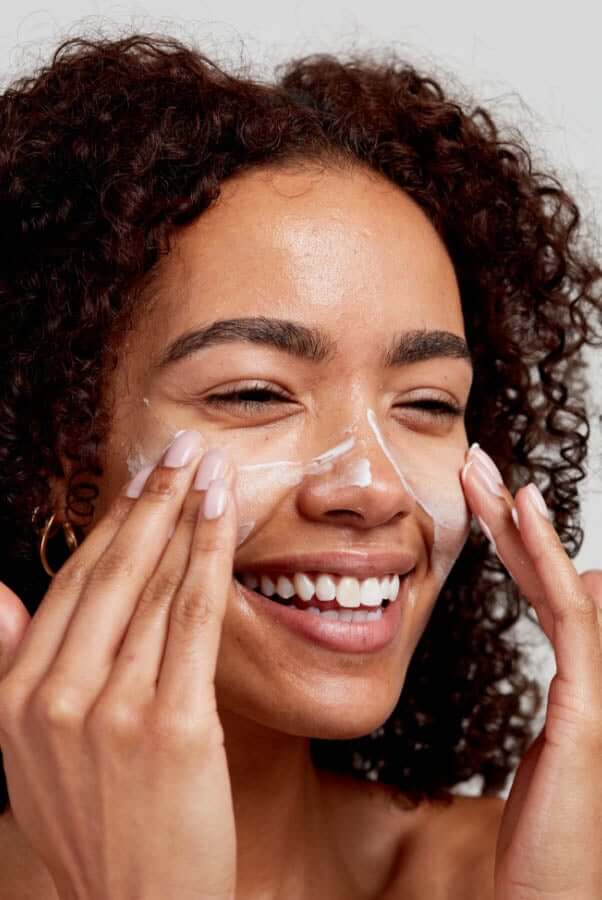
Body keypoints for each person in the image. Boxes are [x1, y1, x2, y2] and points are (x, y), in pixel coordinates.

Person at [0, 32, 600, 900]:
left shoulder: (533, 875)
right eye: (254, 394)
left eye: (428, 404)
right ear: (62, 457)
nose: (373, 487)